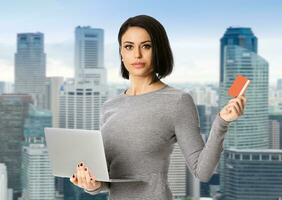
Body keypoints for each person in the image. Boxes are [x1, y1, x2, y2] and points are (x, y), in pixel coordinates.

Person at [70, 15, 247, 200]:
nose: (137, 54)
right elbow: (110, 178)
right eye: (129, 47)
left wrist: (222, 122)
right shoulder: (109, 107)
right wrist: (92, 185)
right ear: (121, 53)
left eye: (146, 46)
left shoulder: (178, 101)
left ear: (158, 50)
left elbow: (202, 172)